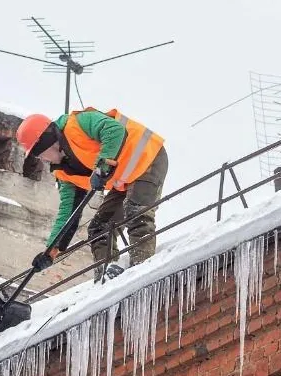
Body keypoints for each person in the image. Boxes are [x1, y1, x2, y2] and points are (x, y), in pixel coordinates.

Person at [16, 108, 167, 281]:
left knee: (136, 213)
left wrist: (102, 167)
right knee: (99, 228)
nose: (42, 159)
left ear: (46, 142)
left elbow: (114, 130)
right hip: (125, 181)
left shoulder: (79, 123)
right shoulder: (64, 173)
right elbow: (68, 213)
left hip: (149, 158)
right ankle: (107, 275)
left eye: (38, 153)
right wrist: (50, 252)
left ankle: (142, 272)